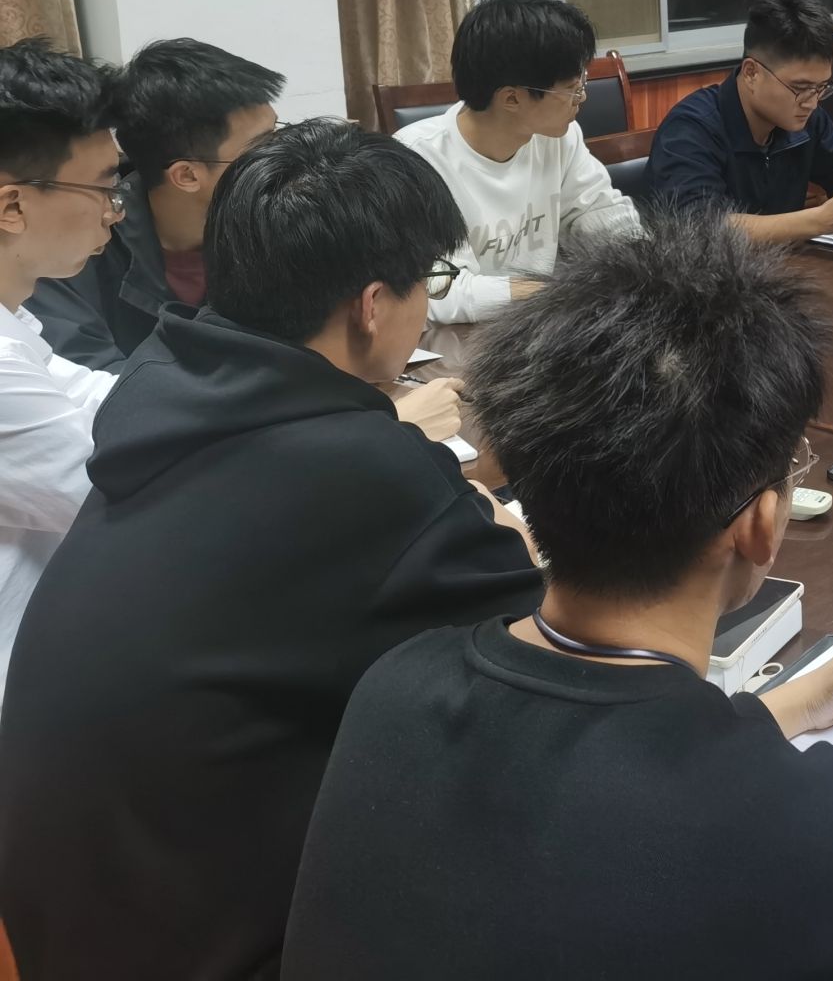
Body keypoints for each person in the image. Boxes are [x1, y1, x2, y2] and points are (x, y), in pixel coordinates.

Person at [282, 210, 833, 979]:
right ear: (759, 526)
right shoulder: (793, 827)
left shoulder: (394, 689)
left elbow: (608, 766)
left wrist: (797, 701)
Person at [0, 121, 541, 981]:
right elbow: (551, 674)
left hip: (74, 929)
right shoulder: (363, 469)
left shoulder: (161, 386)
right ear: (372, 305)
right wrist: (505, 536)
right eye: (429, 284)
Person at [28, 38, 281, 372]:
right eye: (262, 147)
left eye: (278, 134)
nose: (283, 157)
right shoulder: (70, 243)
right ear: (187, 175)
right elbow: (89, 378)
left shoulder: (276, 224)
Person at [397, 0, 640, 322]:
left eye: (582, 82)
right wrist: (555, 292)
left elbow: (602, 214)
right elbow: (441, 291)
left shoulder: (559, 138)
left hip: (538, 326)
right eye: (572, 89)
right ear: (511, 99)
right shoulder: (417, 160)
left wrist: (643, 262)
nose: (582, 98)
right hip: (458, 341)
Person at [0, 40, 121, 706]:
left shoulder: (13, 322)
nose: (114, 210)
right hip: (25, 698)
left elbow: (114, 399)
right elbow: (113, 502)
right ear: (12, 207)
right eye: (102, 187)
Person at [645, 0, 833, 241]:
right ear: (751, 73)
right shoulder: (691, 128)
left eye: (821, 87)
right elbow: (701, 229)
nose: (812, 102)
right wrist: (819, 221)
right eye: (800, 88)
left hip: (783, 271)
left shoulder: (807, 119)